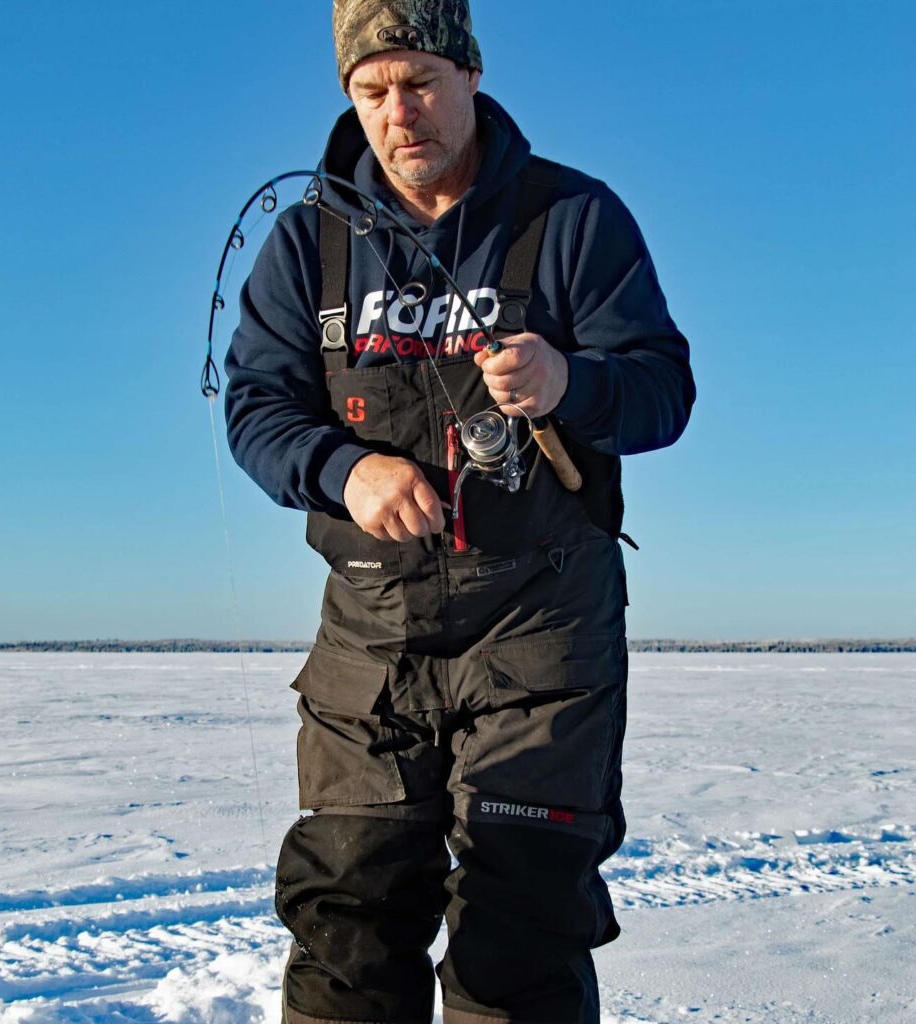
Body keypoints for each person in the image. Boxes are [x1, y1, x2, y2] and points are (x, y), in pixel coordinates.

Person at [225, 2, 695, 1020]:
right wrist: (345, 469)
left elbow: (663, 392)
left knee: (520, 928)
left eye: (421, 82)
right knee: (348, 917)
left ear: (471, 76)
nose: (399, 112)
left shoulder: (573, 218)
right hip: (372, 634)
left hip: (542, 627)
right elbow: (256, 408)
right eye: (372, 90)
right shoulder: (309, 243)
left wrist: (570, 380)